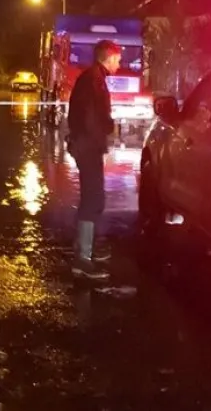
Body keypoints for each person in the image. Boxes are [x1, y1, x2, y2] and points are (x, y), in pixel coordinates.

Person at [66, 40, 122, 280]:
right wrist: (108, 128)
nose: (119, 64)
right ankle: (83, 260)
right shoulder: (94, 81)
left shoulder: (91, 78)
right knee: (93, 198)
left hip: (85, 145)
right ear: (108, 58)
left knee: (92, 198)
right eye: (118, 59)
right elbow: (93, 116)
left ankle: (85, 250)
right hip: (87, 147)